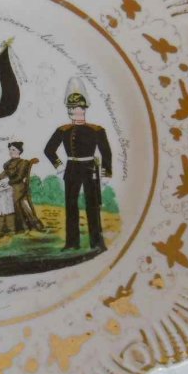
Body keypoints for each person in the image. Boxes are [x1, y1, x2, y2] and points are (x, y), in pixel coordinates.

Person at [44, 78, 112, 253]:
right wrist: (59, 166)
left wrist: (106, 173)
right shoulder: (63, 130)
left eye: (76, 107)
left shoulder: (97, 130)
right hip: (72, 169)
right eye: (71, 108)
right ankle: (72, 243)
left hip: (90, 169)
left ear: (84, 108)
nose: (73, 111)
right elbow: (49, 150)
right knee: (71, 205)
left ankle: (97, 243)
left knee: (93, 205)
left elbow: (106, 153)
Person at [0, 141, 44, 236]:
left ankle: (18, 227)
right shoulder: (9, 163)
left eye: (13, 149)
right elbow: (3, 174)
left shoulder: (23, 162)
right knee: (3, 199)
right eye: (10, 149)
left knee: (9, 200)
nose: (10, 151)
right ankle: (5, 227)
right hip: (11, 187)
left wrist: (7, 183)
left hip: (19, 187)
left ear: (19, 151)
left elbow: (19, 177)